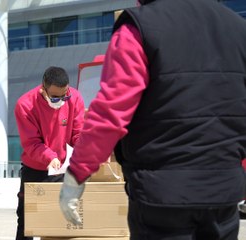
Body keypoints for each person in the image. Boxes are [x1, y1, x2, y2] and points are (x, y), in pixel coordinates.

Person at [59, 0, 246, 239]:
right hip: (223, 191)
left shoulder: (140, 27)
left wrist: (77, 173)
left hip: (162, 193)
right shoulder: (238, 28)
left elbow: (111, 109)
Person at [14, 66, 85, 240]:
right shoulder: (25, 105)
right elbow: (31, 143)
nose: (61, 100)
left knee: (58, 221)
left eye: (64, 95)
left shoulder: (75, 98)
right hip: (35, 169)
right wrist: (49, 157)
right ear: (43, 89)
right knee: (26, 221)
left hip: (61, 170)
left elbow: (78, 133)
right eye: (55, 97)